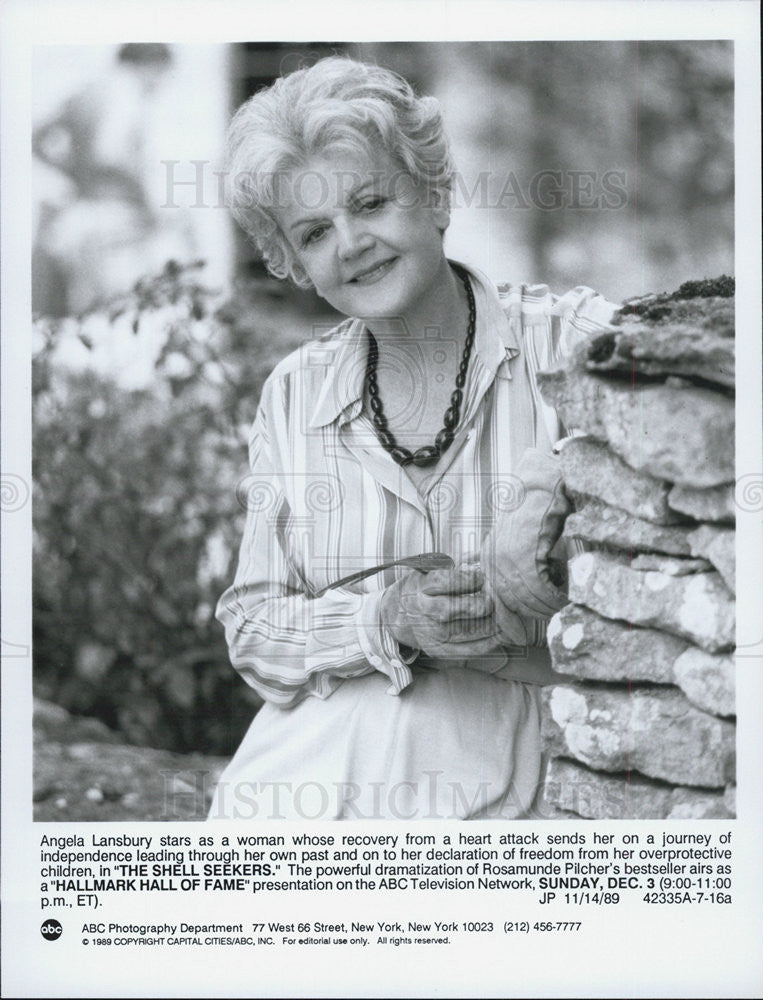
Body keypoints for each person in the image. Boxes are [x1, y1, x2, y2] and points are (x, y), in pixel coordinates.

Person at [210, 56, 618, 821]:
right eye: (314, 232)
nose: (352, 243)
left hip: (540, 766)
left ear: (432, 195)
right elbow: (255, 626)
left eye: (370, 203)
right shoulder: (295, 393)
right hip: (328, 772)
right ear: (294, 263)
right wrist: (387, 619)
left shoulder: (577, 343)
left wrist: (555, 494)